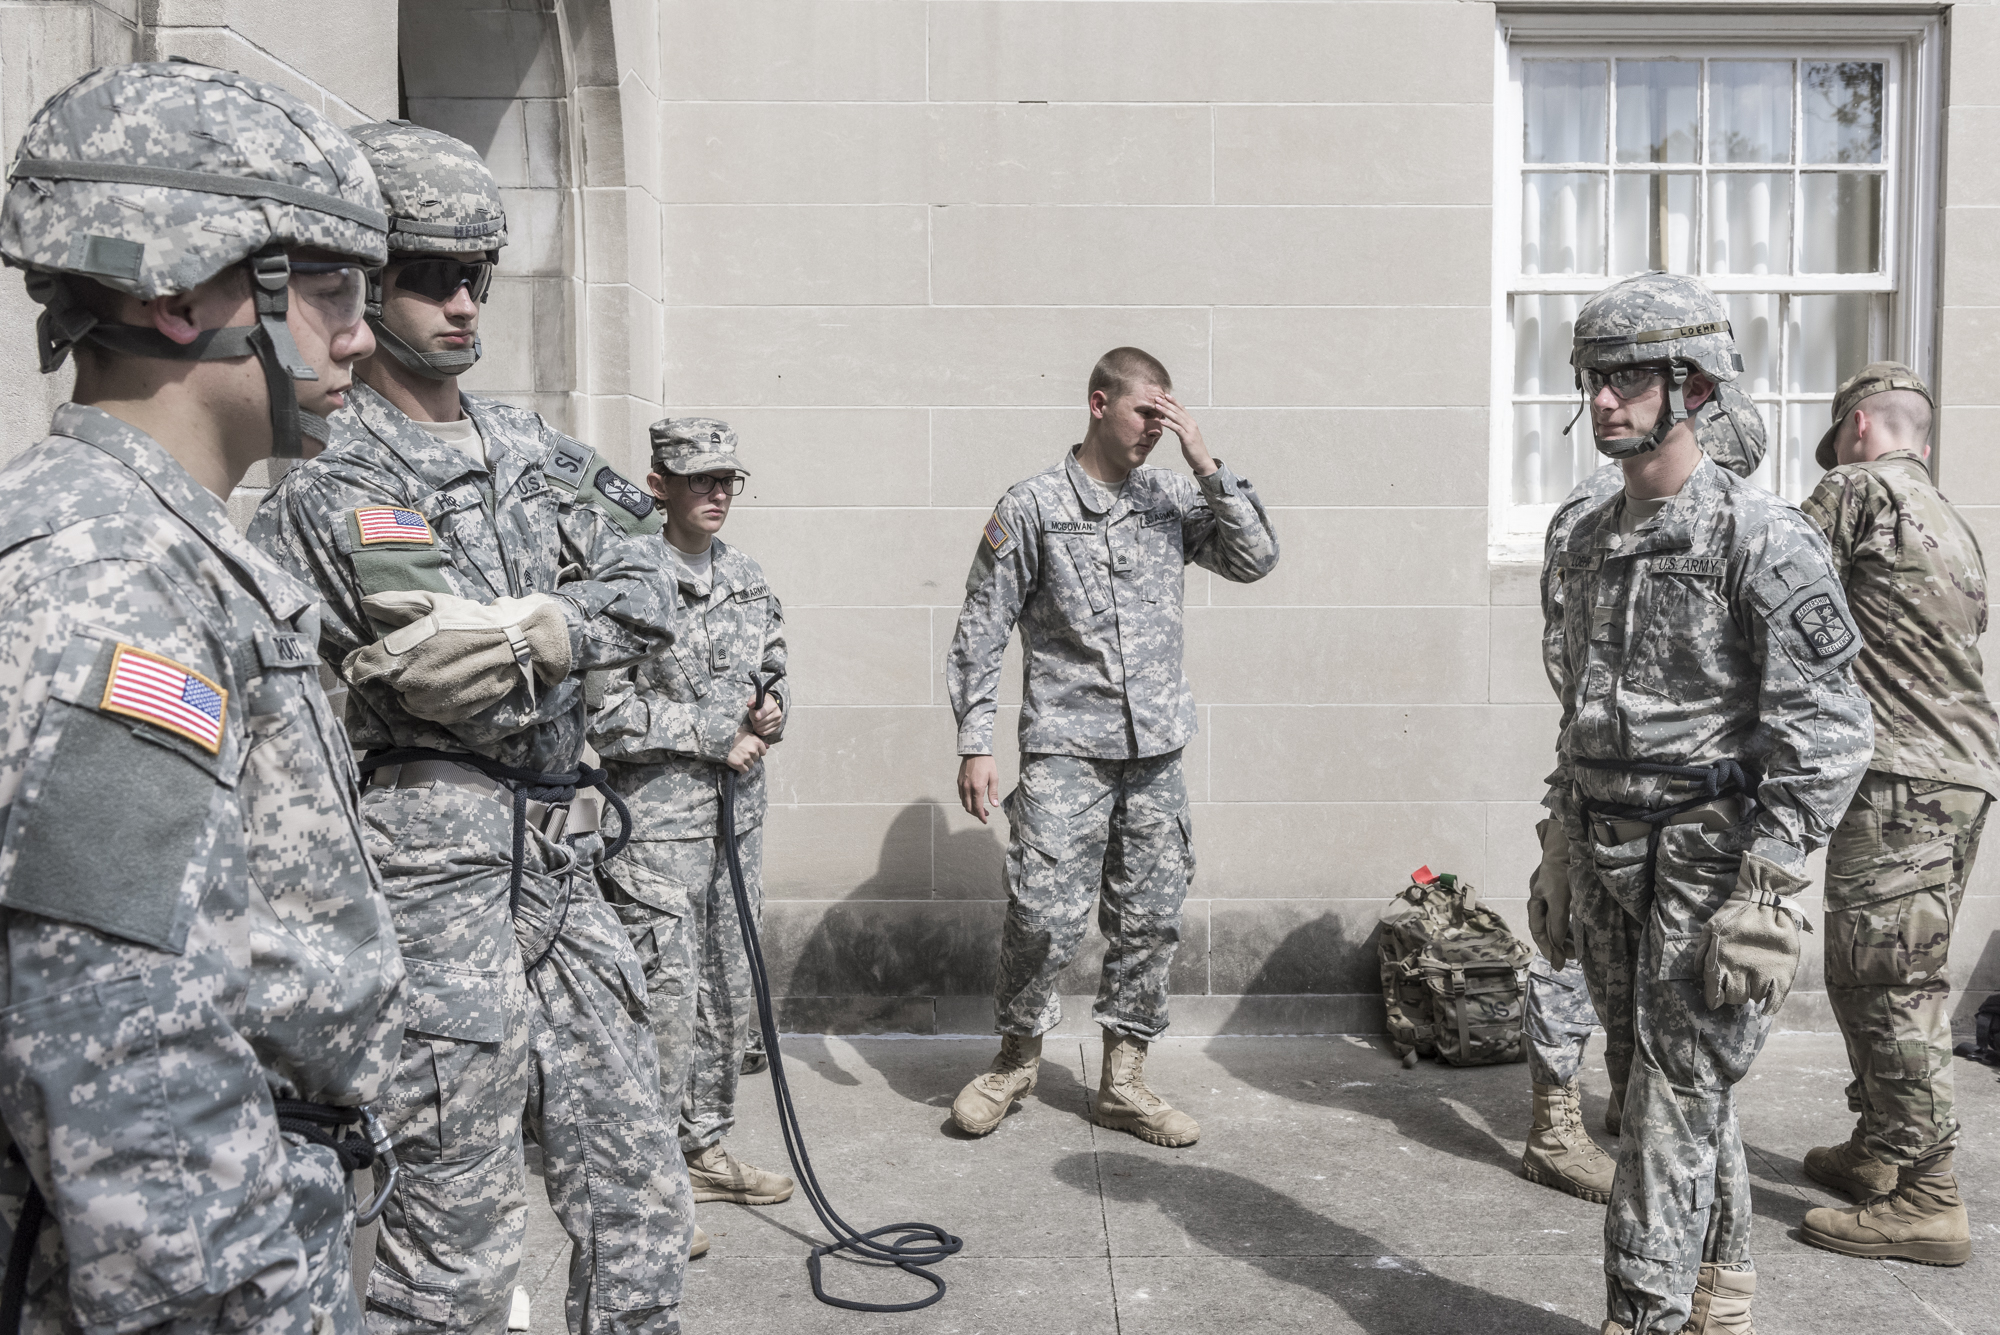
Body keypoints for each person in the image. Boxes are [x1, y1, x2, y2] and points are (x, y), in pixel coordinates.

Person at [249, 122, 690, 1334]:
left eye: (475, 275)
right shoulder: (338, 480)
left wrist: (533, 626)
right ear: (366, 282)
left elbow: (655, 589)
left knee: (641, 1192)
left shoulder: (534, 449)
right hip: (437, 882)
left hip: (564, 859)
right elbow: (451, 681)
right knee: (454, 1227)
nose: (459, 302)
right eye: (428, 275)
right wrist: (562, 625)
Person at [0, 61, 406, 1331]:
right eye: (330, 293)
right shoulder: (110, 576)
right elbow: (125, 1064)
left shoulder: (168, 550)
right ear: (179, 295)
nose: (358, 337)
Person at [1531, 272, 1873, 1335]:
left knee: (1669, 1101)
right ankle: (1719, 1282)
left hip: (1706, 857)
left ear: (1693, 384)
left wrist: (1769, 885)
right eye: (1592, 377)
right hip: (1602, 845)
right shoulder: (1582, 534)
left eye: (1627, 377)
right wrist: (1555, 844)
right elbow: (1577, 705)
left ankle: (1642, 1312)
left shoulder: (1760, 539)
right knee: (1652, 1085)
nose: (1601, 400)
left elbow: (1828, 731)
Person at [945, 346, 1279, 1145]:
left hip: (1156, 750)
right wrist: (975, 741)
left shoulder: (1170, 497)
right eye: (1145, 415)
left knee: (1150, 917)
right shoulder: (1031, 507)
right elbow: (980, 630)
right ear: (1099, 404)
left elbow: (1256, 558)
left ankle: (1124, 1076)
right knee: (1040, 914)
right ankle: (1016, 1058)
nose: (1156, 433)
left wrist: (1207, 462)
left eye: (1169, 419)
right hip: (1067, 747)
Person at [1521, 381, 1769, 1205]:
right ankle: (1557, 1113)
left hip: (1637, 780)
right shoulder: (1605, 518)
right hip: (1614, 780)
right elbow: (1576, 660)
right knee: (1579, 946)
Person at [1795, 363, 1996, 1267]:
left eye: (1837, 436)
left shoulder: (1855, 487)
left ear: (1862, 426)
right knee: (1871, 968)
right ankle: (1883, 1149)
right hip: (1956, 780)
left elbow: (1779, 576)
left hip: (1900, 781)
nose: (1834, 454)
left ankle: (1928, 1196)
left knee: (1888, 982)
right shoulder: (1953, 522)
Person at [589, 418, 792, 1258]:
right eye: (699, 478)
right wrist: (715, 728)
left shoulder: (746, 577)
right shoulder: (623, 579)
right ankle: (648, 1184)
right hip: (660, 828)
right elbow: (601, 707)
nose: (716, 493)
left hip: (734, 819)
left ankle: (702, 1144)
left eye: (727, 480)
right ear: (658, 482)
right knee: (663, 998)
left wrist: (772, 710)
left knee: (725, 989)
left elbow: (774, 668)